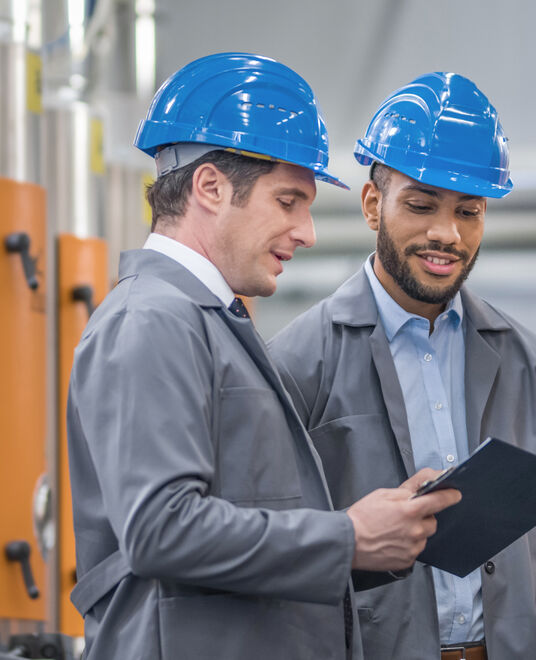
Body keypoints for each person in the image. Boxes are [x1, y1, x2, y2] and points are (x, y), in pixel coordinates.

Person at [66, 54, 461, 660]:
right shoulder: (149, 321)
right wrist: (348, 536)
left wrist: (378, 539)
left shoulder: (210, 322)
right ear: (211, 187)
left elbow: (238, 538)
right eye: (287, 201)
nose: (307, 231)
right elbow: (160, 530)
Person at [268, 72, 536, 660]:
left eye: (469, 211)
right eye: (420, 205)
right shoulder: (295, 366)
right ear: (371, 204)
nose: (447, 234)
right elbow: (280, 561)